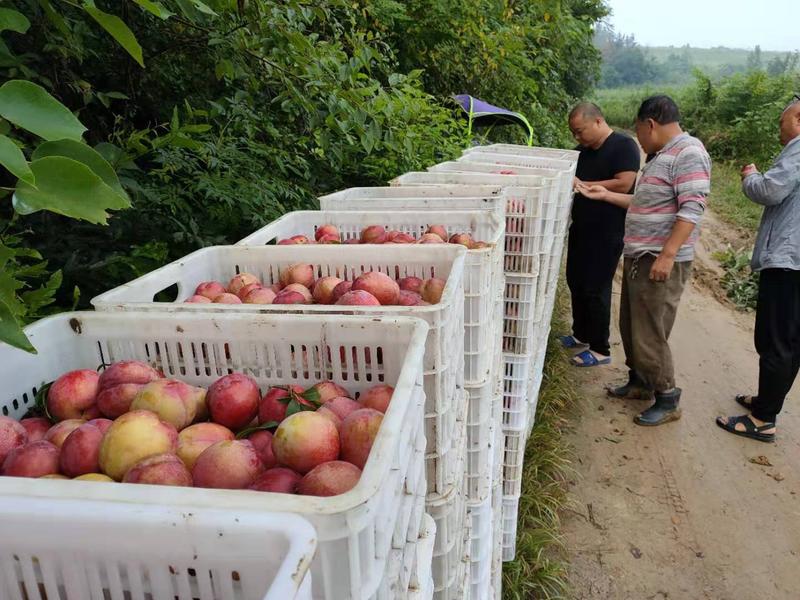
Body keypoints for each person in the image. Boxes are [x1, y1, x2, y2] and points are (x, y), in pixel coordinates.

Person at [577, 95, 712, 426]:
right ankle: (639, 381)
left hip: (659, 260)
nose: (637, 138)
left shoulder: (689, 152)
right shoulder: (661, 156)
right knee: (631, 325)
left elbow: (692, 208)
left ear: (649, 124)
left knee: (650, 331)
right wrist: (605, 194)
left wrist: (667, 255)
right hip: (640, 256)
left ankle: (667, 397)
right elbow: (643, 201)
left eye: (638, 131)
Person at [716, 97, 800, 443]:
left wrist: (751, 175)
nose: (778, 130)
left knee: (776, 339)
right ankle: (767, 402)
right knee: (787, 339)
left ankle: (763, 419)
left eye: (781, 123)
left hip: (788, 261)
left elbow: (770, 189)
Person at [561, 102, 640, 368]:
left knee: (596, 287)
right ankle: (581, 333)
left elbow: (625, 183)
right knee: (576, 280)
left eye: (580, 131)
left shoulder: (623, 146)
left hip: (607, 231)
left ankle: (600, 348)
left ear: (597, 121)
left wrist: (583, 184)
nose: (577, 137)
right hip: (581, 227)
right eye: (574, 133)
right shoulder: (580, 152)